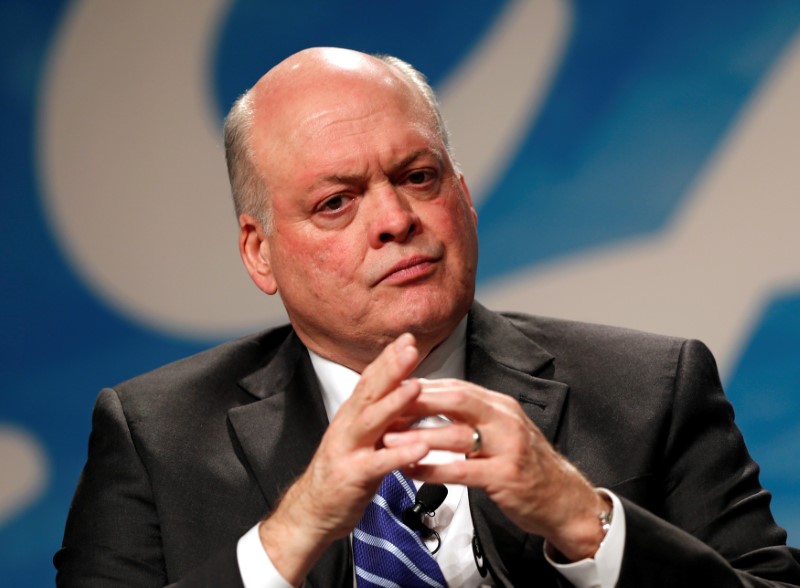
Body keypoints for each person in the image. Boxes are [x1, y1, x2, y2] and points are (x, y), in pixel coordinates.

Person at [55, 47, 800, 587]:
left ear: (465, 199)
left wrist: (586, 523)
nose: (394, 219)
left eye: (418, 177)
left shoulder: (651, 388)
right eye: (335, 202)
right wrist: (289, 536)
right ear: (259, 252)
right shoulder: (154, 434)